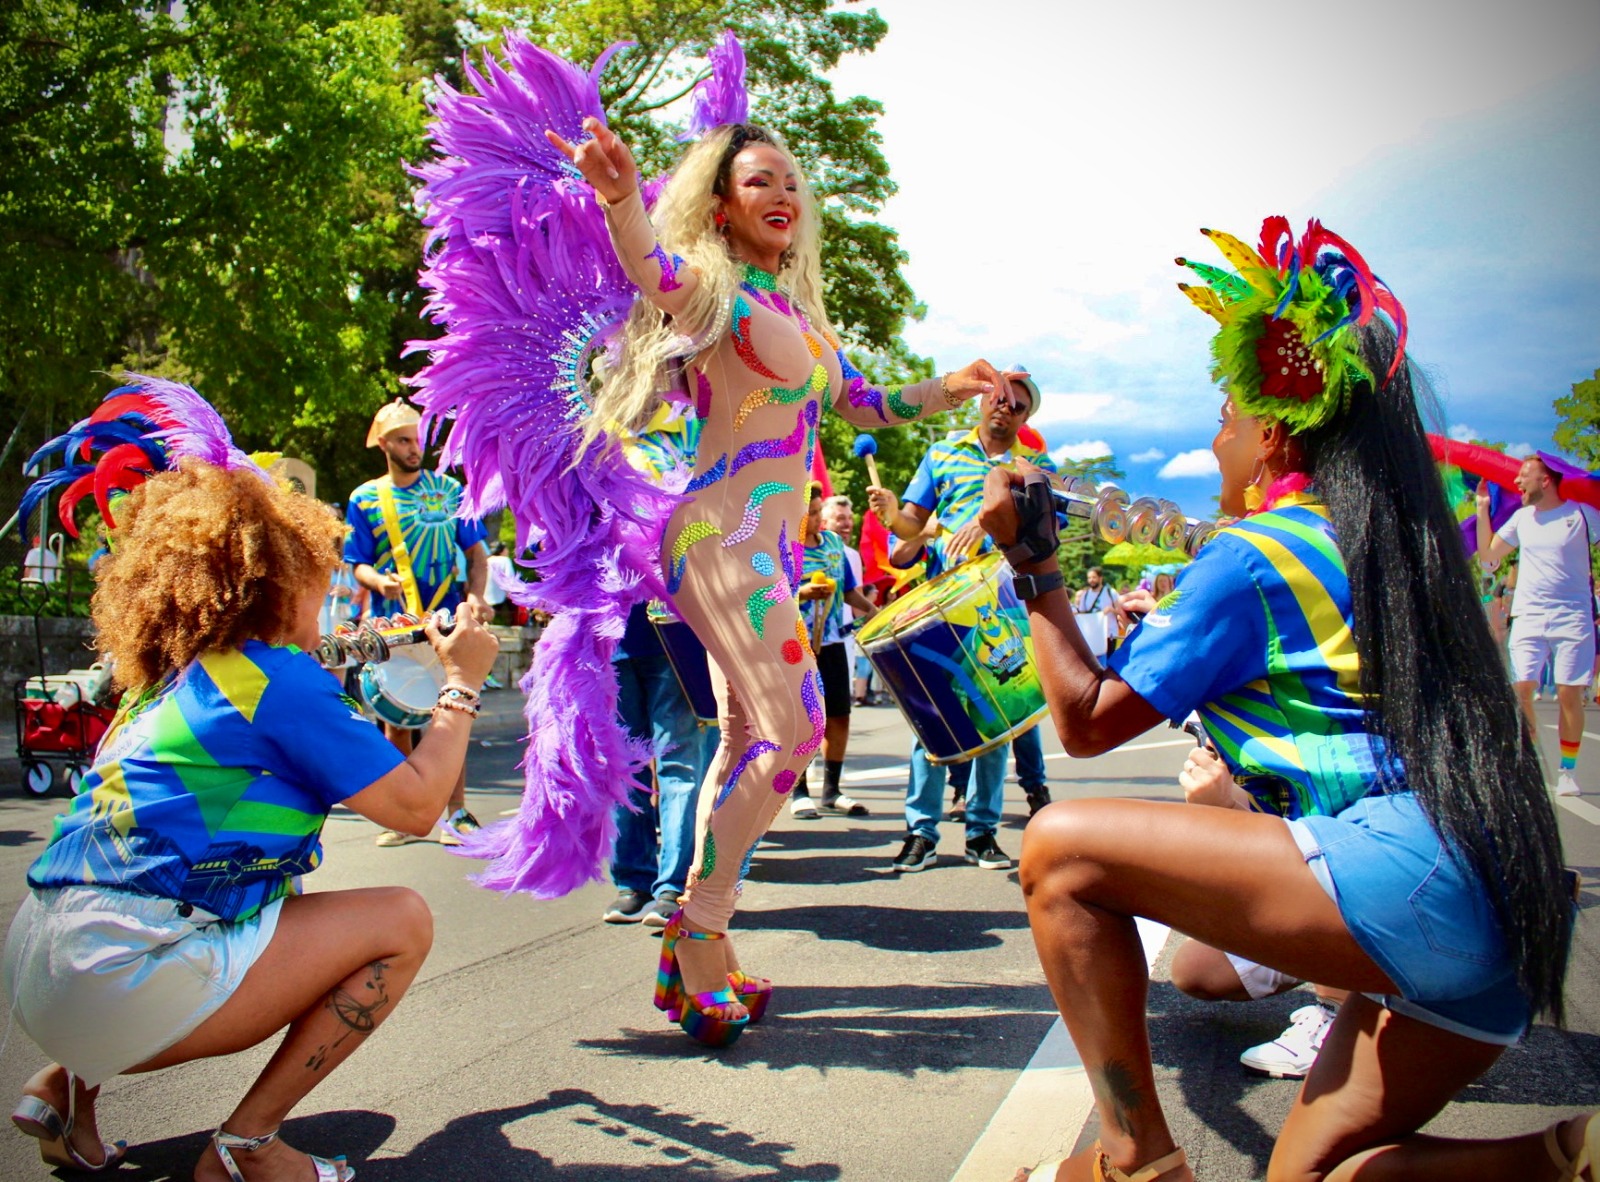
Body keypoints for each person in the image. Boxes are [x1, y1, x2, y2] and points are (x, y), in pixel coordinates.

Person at [979, 218, 1582, 1181]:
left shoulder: (1258, 553)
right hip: (1496, 910)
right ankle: (1564, 1156)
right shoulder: (1402, 548)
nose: (1214, 438)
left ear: (1269, 432)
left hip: (1408, 880)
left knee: (1060, 849)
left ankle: (1132, 1161)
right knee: (1313, 1178)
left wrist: (1035, 562)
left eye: (1223, 415)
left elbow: (1086, 724)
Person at [552, 111, 1001, 1045]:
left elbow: (865, 400)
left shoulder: (799, 313)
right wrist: (622, 198)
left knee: (752, 736)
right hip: (721, 534)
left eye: (792, 181)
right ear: (720, 206)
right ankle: (697, 929)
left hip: (769, 549)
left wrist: (949, 387)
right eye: (760, 181)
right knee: (793, 734)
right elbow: (651, 270)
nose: (784, 194)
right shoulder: (713, 290)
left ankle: (698, 936)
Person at [4, 439, 498, 1180]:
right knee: (402, 920)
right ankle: (248, 1147)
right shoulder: (275, 685)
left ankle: (69, 1099)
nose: (325, 602)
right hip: (110, 980)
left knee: (251, 882)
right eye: (317, 586)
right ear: (273, 588)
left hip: (41, 970)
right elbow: (420, 805)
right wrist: (461, 682)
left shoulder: (177, 677)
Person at [866, 370, 1054, 872]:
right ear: (983, 401)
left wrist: (989, 519)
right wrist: (895, 518)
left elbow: (1042, 535)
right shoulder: (942, 454)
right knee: (932, 720)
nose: (1004, 409)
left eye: (1017, 406)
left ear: (1026, 417)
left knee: (996, 718)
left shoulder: (1035, 465)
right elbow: (910, 526)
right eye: (998, 398)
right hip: (941, 607)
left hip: (1001, 604)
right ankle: (920, 832)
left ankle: (982, 832)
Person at [345, 399, 492, 844]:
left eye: (419, 439)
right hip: (395, 623)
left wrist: (476, 596)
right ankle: (407, 812)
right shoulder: (365, 498)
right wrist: (380, 583)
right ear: (384, 444)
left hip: (446, 617)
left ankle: (458, 813)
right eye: (405, 440)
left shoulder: (449, 491)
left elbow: (476, 553)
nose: (415, 448)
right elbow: (358, 564)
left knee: (454, 709)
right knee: (398, 715)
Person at [1476, 455, 1600, 797]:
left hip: (1573, 617)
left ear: (1545, 480)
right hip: (1529, 615)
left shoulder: (1581, 516)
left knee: (1568, 693)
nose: (1517, 482)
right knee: (1520, 689)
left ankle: (1568, 770)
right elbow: (1488, 558)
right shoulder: (1521, 519)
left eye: (1523, 476)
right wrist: (1484, 509)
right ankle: (1528, 763)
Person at [790, 485, 878, 818]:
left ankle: (832, 790)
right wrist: (802, 592)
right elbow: (771, 593)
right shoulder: (785, 547)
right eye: (810, 513)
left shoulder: (834, 545)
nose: (816, 519)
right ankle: (798, 791)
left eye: (816, 512)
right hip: (795, 647)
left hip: (833, 644)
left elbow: (850, 591)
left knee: (838, 715)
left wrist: (874, 613)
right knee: (803, 719)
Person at [1072, 567, 1119, 661]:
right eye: (1089, 578)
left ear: (1100, 578)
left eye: (1094, 577)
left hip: (1109, 634)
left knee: (1109, 661)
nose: (1091, 580)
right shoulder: (1085, 595)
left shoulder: (1111, 592)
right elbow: (1082, 612)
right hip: (1092, 634)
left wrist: (1111, 610)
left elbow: (1120, 611)